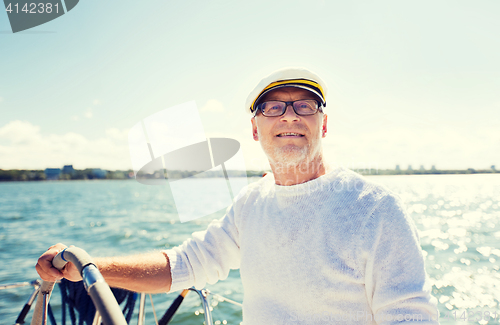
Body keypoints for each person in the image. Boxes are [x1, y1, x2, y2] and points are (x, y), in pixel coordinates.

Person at [37, 68, 439, 324]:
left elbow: (409, 318)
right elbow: (187, 263)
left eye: (305, 105)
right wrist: (91, 266)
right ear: (254, 129)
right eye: (272, 108)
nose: (289, 116)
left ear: (324, 123)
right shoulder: (252, 203)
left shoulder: (374, 208)